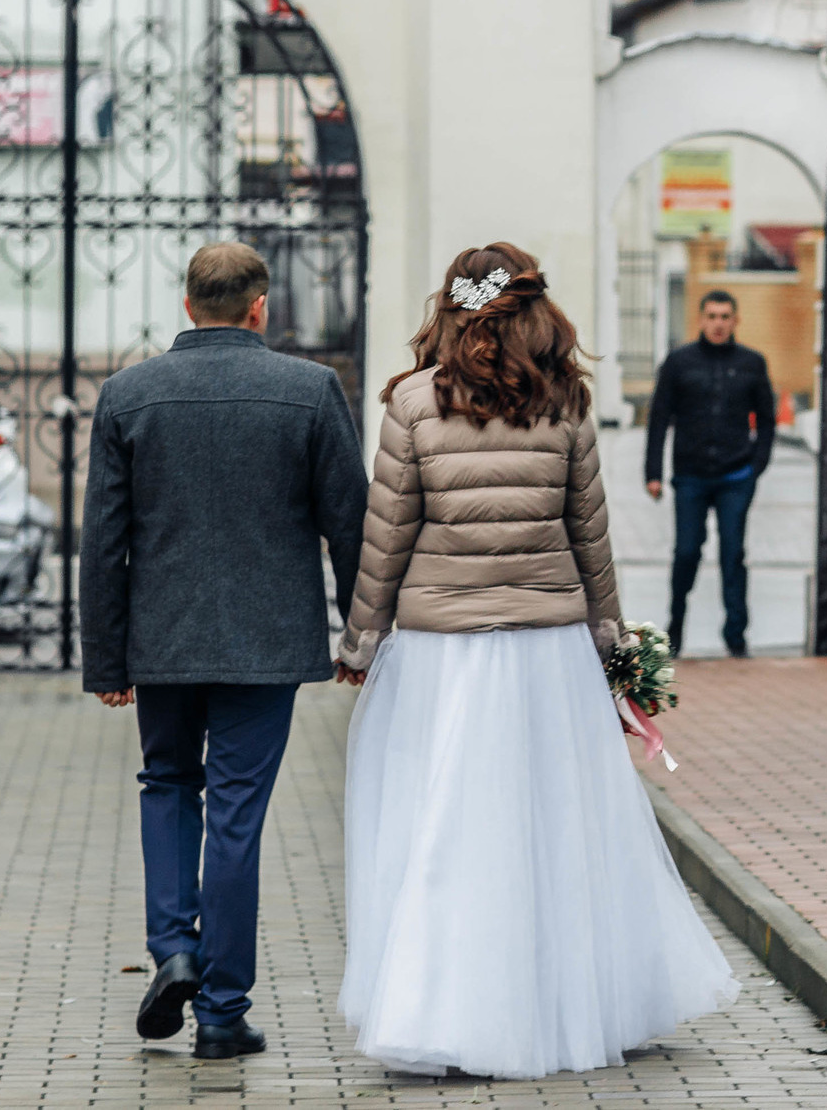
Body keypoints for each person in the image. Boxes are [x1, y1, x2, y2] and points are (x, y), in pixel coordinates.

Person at [335, 243, 738, 1079]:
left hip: (444, 649)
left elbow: (388, 536)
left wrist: (361, 641)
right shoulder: (566, 404)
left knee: (446, 829)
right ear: (534, 313)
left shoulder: (411, 402)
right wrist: (612, 640)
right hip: (550, 646)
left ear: (451, 310)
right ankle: (572, 1002)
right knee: (560, 828)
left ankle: (443, 1009)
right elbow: (592, 536)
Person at [80, 241, 368, 1061]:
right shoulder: (309, 392)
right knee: (236, 815)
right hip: (266, 644)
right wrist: (360, 636)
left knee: (168, 784)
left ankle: (173, 948)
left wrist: (106, 658)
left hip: (161, 642)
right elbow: (349, 524)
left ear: (186, 306)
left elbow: (103, 542)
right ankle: (220, 1009)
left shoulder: (127, 396)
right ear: (259, 308)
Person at [644, 291, 775, 657]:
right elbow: (658, 419)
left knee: (733, 554)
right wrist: (653, 472)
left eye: (725, 316)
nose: (719, 323)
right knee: (687, 552)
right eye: (712, 316)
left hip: (736, 475)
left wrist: (757, 466)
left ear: (735, 321)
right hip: (690, 476)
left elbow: (767, 419)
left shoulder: (752, 363)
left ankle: (736, 636)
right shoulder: (679, 362)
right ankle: (676, 627)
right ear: (701, 319)